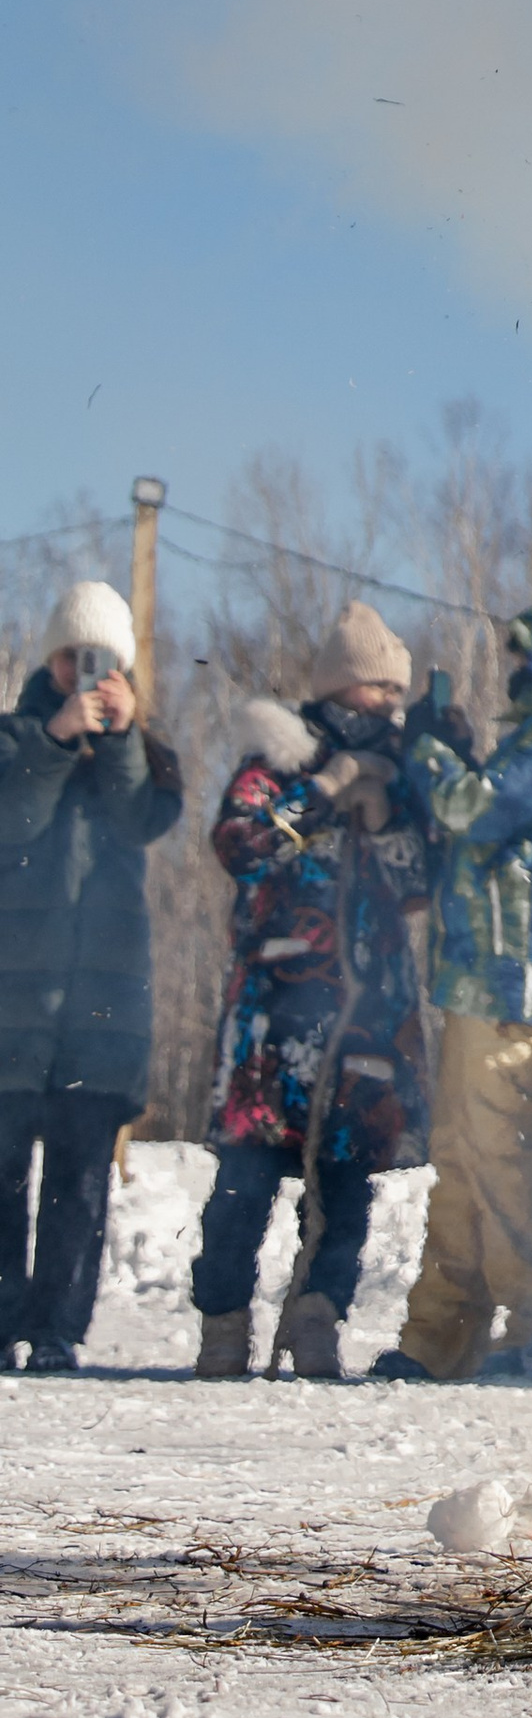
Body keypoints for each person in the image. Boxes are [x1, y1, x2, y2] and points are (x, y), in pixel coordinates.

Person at [373, 590, 532, 1383]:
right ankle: (441, 1335)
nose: (517, 668)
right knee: (461, 1154)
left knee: (499, 1152)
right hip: (486, 979)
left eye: (528, 652)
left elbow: (467, 805)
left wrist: (427, 749)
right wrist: (451, 746)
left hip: (520, 984)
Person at [193, 602, 431, 1381]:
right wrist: (323, 791)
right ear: (338, 689)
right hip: (274, 1015)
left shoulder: (403, 775)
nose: (387, 707)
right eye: (374, 691)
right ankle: (224, 1325)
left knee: (346, 1183)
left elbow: (425, 885)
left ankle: (318, 1319)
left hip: (368, 1017)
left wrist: (390, 814)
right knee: (245, 1180)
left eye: (396, 693)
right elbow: (241, 845)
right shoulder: (277, 761)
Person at [0, 582, 183, 1371]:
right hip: (12, 1004)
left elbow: (140, 817)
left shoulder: (144, 750)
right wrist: (54, 736)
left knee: (79, 1182)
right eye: (75, 654)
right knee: (3, 1178)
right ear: (51, 657)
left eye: (102, 658)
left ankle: (58, 1331)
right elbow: (15, 821)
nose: (86, 670)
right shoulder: (13, 739)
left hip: (103, 1008)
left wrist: (117, 737)